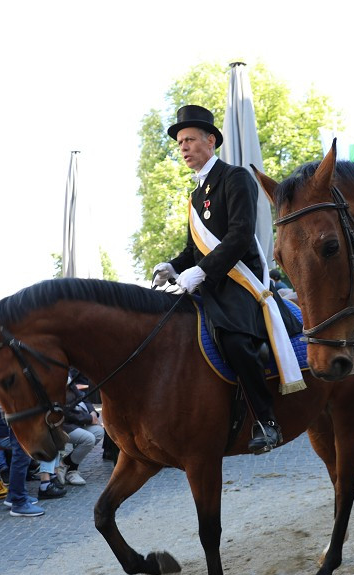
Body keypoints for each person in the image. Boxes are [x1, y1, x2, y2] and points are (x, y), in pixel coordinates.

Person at [151, 105, 300, 454]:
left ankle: (266, 420)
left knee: (234, 341)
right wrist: (172, 266)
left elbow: (239, 235)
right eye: (180, 143)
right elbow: (193, 248)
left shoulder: (234, 178)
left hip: (241, 280)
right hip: (212, 282)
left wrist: (202, 271)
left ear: (211, 140)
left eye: (189, 140)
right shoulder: (195, 194)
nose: (183, 147)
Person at [58, 370, 105, 487]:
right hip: (62, 424)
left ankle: (67, 466)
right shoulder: (52, 376)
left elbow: (82, 396)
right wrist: (89, 418)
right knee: (88, 439)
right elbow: (64, 410)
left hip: (76, 421)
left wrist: (93, 412)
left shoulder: (65, 371)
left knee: (99, 432)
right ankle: (70, 467)